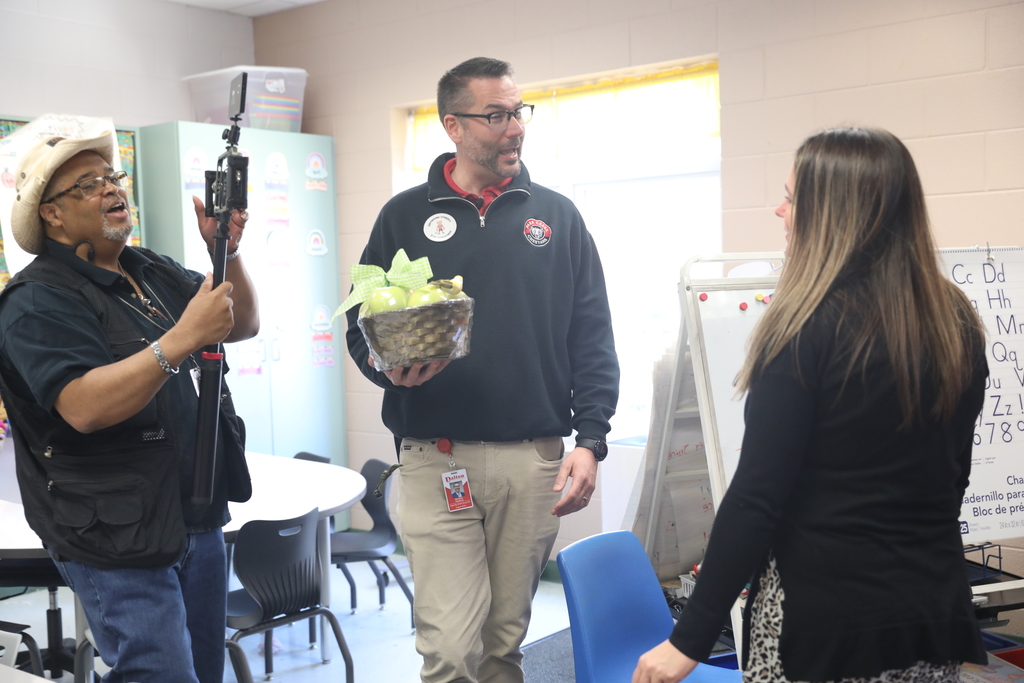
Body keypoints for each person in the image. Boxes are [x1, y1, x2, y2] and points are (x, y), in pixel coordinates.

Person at [634, 127, 989, 683]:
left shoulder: (806, 325)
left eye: (792, 197)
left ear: (833, 211)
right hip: (928, 610)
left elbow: (757, 497)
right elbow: (953, 477)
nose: (780, 210)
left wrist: (690, 639)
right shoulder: (955, 318)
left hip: (823, 622)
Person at [345, 56, 619, 682]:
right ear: (454, 127)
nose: (514, 127)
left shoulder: (558, 216)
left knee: (502, 645)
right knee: (449, 650)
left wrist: (593, 440)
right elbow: (362, 320)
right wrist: (386, 369)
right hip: (434, 459)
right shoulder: (403, 217)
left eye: (518, 111)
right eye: (495, 115)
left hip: (533, 460)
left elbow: (592, 337)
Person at [0, 132, 259, 683]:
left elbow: (242, 322)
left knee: (202, 672)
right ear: (53, 216)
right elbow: (83, 406)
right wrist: (180, 341)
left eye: (112, 179)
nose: (111, 190)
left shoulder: (149, 269)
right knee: (160, 673)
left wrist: (226, 252)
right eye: (87, 185)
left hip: (195, 511)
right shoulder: (36, 299)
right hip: (114, 530)